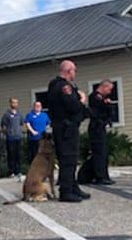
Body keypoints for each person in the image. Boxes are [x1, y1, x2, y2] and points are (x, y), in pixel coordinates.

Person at [47, 60, 90, 203]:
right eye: (74, 70)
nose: (75, 73)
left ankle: (73, 187)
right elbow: (73, 106)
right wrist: (82, 100)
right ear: (68, 71)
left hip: (63, 127)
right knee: (68, 159)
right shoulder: (64, 86)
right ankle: (66, 191)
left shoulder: (54, 85)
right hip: (66, 128)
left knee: (71, 158)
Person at [88, 80, 115, 185]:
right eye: (109, 89)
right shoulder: (94, 96)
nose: (110, 92)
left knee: (104, 152)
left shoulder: (103, 98)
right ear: (104, 87)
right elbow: (100, 108)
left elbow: (109, 111)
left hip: (101, 127)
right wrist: (106, 104)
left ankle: (105, 175)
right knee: (99, 152)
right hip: (96, 127)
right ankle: (100, 177)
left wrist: (107, 105)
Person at [0, 98, 23, 178]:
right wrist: (7, 132)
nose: (15, 104)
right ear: (10, 103)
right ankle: (11, 172)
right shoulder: (6, 114)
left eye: (16, 103)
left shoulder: (19, 113)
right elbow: (3, 125)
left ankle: (18, 171)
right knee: (11, 155)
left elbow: (21, 123)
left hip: (18, 137)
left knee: (18, 155)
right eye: (13, 103)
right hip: (10, 137)